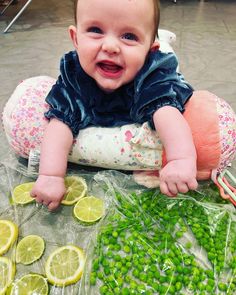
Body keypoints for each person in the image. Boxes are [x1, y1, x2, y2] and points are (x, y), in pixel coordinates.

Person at [30, 0, 198, 210]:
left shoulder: (152, 74)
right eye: (95, 30)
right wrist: (50, 175)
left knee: (169, 66)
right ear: (75, 38)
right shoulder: (75, 77)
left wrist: (181, 160)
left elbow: (167, 113)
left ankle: (161, 41)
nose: (110, 46)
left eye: (129, 36)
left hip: (146, 72)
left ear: (148, 51)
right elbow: (60, 123)